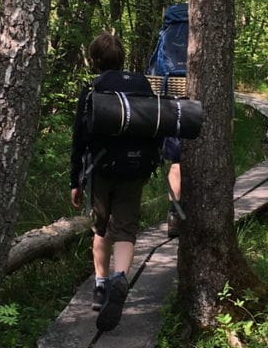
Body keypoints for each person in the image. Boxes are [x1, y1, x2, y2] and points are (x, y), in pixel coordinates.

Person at [70, 32, 161, 332]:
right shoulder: (141, 84)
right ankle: (119, 278)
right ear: (121, 58)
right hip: (135, 168)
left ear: (95, 60)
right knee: (125, 228)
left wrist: (76, 180)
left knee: (100, 226)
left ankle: (99, 286)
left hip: (102, 168)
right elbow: (155, 125)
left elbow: (79, 139)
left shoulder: (93, 88)